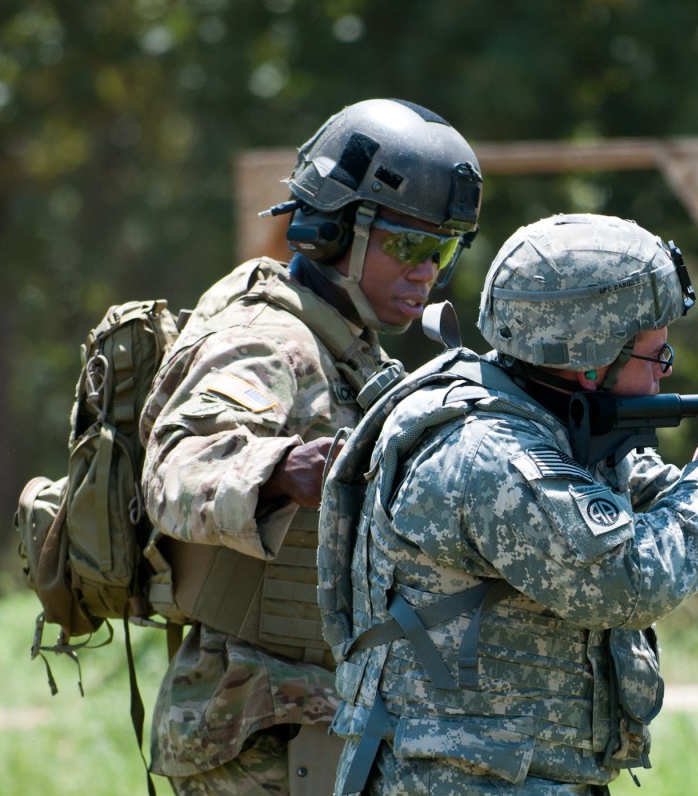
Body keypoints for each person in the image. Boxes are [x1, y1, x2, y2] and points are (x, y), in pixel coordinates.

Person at [318, 212, 698, 795]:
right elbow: (625, 579)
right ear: (590, 360)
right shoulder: (488, 454)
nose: (664, 374)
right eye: (655, 354)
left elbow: (689, 538)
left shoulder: (563, 434)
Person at [137, 98, 482, 795]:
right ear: (334, 231)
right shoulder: (267, 341)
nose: (425, 273)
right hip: (255, 735)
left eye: (441, 251)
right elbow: (176, 470)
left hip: (321, 723)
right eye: (409, 245)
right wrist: (282, 470)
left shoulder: (351, 353)